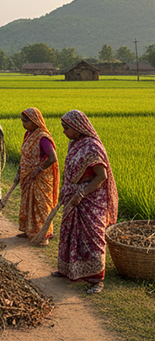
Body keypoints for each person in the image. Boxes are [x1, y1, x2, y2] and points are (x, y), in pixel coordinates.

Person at [52, 110, 118, 294]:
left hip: (91, 200)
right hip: (73, 195)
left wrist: (81, 194)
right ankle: (67, 270)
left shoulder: (92, 147)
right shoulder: (74, 144)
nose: (64, 131)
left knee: (92, 238)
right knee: (70, 232)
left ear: (78, 127)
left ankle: (96, 279)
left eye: (66, 128)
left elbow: (101, 176)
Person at [11, 108, 59, 244]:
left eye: (26, 121)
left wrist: (37, 170)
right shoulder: (28, 134)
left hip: (40, 177)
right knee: (28, 202)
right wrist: (20, 171)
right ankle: (29, 230)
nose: (23, 124)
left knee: (40, 204)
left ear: (34, 121)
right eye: (22, 121)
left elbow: (52, 157)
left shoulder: (42, 137)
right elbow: (24, 156)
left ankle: (42, 235)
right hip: (27, 175)